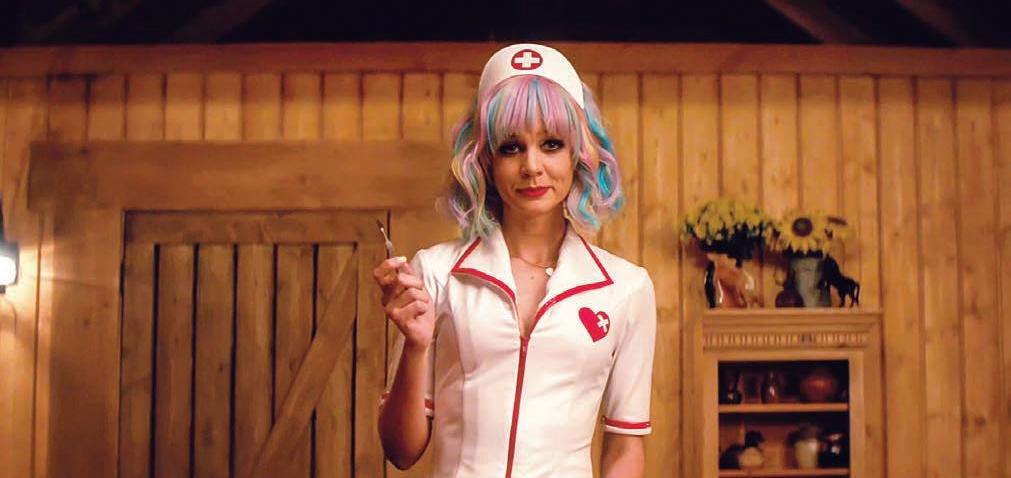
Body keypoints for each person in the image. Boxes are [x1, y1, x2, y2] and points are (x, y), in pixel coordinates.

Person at [373, 43, 657, 478]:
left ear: (577, 154)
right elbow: (401, 451)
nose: (532, 166)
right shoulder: (437, 273)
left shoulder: (626, 289)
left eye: (551, 144)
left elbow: (625, 449)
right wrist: (416, 345)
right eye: (511, 147)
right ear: (485, 161)